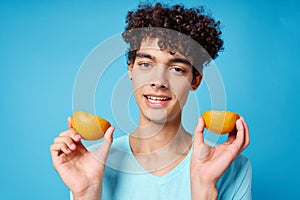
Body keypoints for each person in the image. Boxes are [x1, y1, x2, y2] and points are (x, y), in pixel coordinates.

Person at [50, 3, 251, 200]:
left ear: (195, 80)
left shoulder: (230, 165)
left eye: (177, 69)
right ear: (131, 69)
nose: (158, 82)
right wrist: (85, 194)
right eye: (146, 64)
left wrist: (204, 187)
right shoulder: (90, 163)